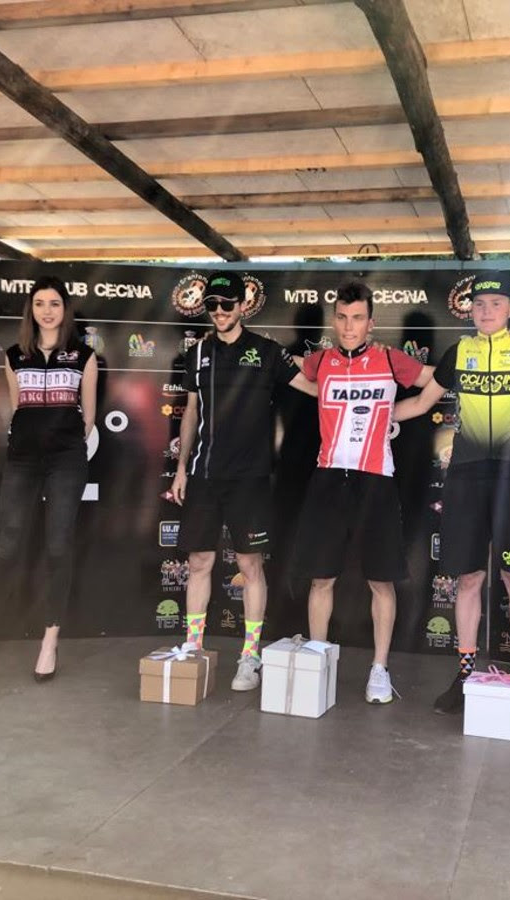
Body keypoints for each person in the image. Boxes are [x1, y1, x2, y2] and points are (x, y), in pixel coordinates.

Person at [394, 272, 510, 722]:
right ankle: (464, 676)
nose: (486, 311)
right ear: (470, 310)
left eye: (496, 304)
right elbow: (421, 404)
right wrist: (363, 416)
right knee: (468, 580)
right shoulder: (459, 352)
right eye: (479, 304)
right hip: (466, 477)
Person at [171, 271, 317, 691]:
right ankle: (193, 648)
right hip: (204, 474)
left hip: (250, 479)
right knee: (199, 563)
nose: (219, 312)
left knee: (250, 565)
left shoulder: (267, 352)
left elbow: (312, 387)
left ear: (243, 306)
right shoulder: (197, 353)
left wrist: (356, 376)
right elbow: (191, 412)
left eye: (227, 304)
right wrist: (181, 467)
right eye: (212, 305)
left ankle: (249, 656)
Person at [291, 280, 433, 703]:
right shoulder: (320, 361)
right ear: (334, 321)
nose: (349, 326)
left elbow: (433, 385)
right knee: (321, 578)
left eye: (357, 318)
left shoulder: (389, 358)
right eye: (342, 318)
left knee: (381, 581)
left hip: (376, 479)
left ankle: (379, 669)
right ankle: (317, 661)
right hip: (329, 477)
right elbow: (289, 373)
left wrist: (393, 413)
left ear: (371, 323)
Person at [0, 276, 98, 686]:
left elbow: (88, 416)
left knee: (58, 547)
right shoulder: (14, 356)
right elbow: (18, 408)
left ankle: (50, 640)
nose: (47, 311)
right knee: (8, 547)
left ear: (65, 309)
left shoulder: (84, 356)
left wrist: (65, 444)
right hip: (23, 460)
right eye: (40, 303)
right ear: (31, 310)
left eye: (54, 303)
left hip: (66, 460)